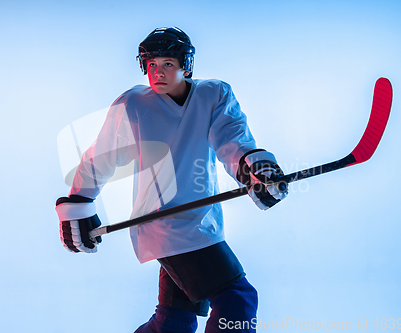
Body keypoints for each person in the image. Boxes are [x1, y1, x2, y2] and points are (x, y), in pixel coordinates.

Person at [55, 27, 288, 333]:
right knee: (237, 299)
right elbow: (102, 155)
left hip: (202, 222)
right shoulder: (134, 104)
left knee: (174, 321)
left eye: (167, 64)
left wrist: (255, 169)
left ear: (185, 66)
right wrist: (79, 201)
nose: (158, 72)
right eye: (151, 65)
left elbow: (231, 140)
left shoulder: (214, 94)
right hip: (164, 225)